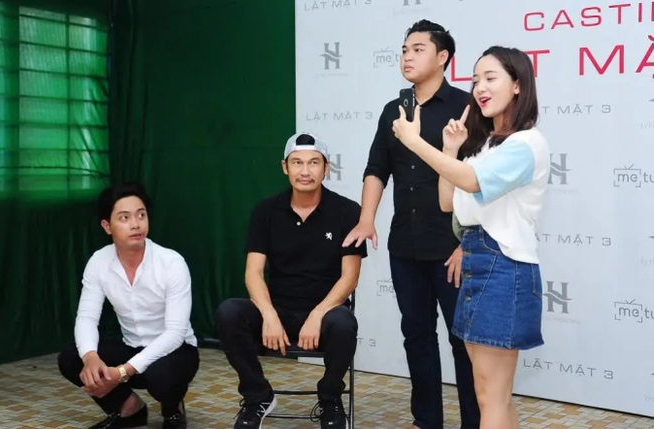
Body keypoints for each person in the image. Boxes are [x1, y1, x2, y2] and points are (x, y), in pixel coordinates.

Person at [392, 46, 550, 429]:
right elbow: (447, 202)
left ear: (518, 85)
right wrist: (450, 149)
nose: (480, 87)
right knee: (490, 393)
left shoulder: (526, 144)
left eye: (490, 78)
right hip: (479, 265)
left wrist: (415, 142)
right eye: (476, 79)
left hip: (504, 268)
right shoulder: (486, 146)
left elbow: (472, 181)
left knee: (490, 395)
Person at [343, 20, 480, 429]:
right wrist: (366, 219)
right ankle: (427, 420)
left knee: (464, 341)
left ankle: (474, 422)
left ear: (442, 57)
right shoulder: (394, 111)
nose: (407, 56)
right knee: (417, 336)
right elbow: (376, 169)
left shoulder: (466, 107)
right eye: (405, 49)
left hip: (453, 247)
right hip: (405, 245)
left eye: (418, 49)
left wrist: (467, 243)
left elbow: (478, 181)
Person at [215, 133, 367, 429]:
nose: (305, 171)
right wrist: (269, 314)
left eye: (313, 163)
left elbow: (350, 277)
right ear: (285, 167)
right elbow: (253, 273)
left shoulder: (347, 212)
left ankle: (330, 398)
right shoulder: (265, 211)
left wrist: (317, 314)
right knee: (229, 313)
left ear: (327, 168)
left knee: (344, 323)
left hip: (326, 312)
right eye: (297, 163)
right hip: (278, 311)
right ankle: (258, 396)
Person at [57, 183, 200, 429]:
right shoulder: (99, 262)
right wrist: (90, 357)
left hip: (175, 351)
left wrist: (122, 372)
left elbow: (175, 333)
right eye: (124, 218)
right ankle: (129, 409)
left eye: (141, 215)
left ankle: (173, 409)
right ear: (107, 226)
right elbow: (87, 317)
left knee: (161, 376)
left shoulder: (171, 262)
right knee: (72, 358)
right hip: (131, 347)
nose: (136, 224)